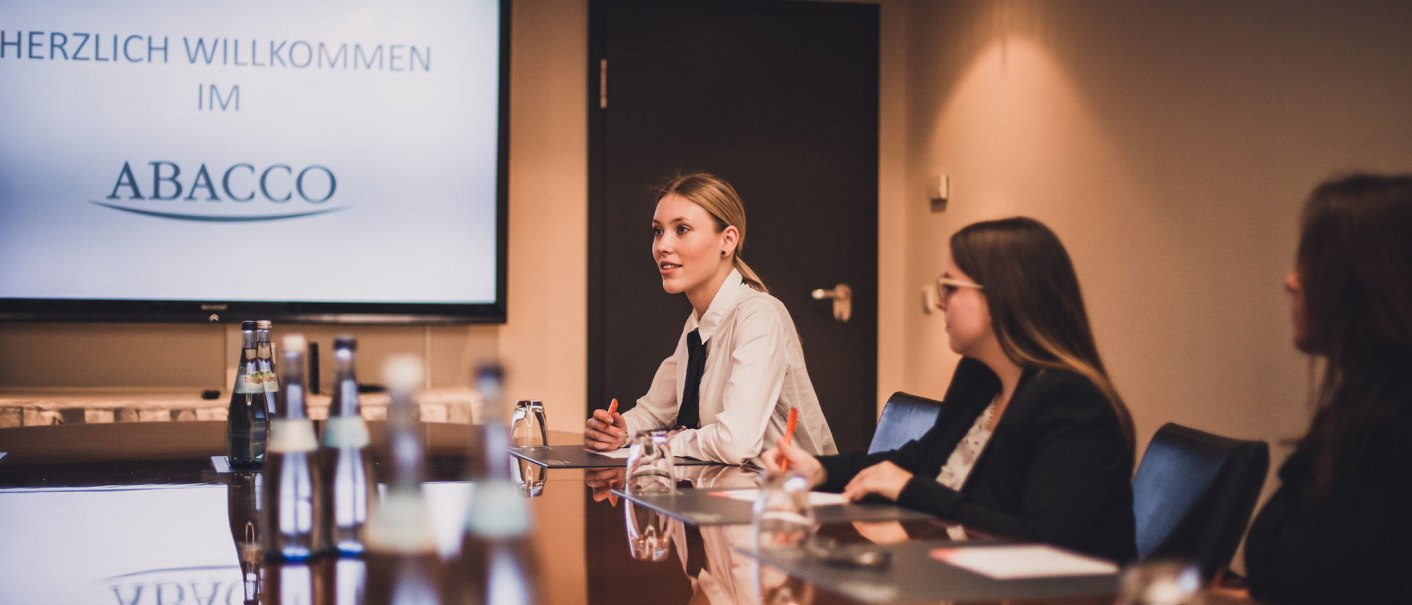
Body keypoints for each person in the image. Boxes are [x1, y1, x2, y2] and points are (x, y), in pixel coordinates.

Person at [770, 216, 1137, 562]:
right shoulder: (979, 377)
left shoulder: (1073, 405)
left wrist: (912, 488)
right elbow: (918, 462)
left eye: (950, 287)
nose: (939, 301)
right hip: (960, 577)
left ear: (1000, 296)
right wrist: (819, 470)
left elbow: (1041, 545)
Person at [584, 173, 837, 465]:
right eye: (657, 231)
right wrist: (622, 431)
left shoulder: (758, 316)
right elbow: (656, 409)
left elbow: (734, 443)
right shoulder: (697, 324)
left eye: (681, 229)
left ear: (727, 241)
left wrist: (665, 440)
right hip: (731, 489)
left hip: (791, 496)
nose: (663, 245)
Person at [1242, 174, 1412, 604]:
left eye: (1311, 262)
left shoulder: (1396, 433)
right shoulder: (1357, 411)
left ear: (1367, 280)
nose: (1290, 281)